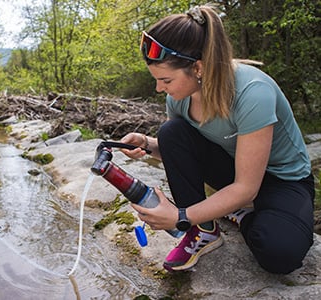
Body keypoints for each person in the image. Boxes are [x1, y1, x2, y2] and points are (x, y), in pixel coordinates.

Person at [120, 4, 314, 274]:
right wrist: (146, 144)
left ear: (197, 68)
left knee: (280, 254)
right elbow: (181, 150)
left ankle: (240, 214)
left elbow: (247, 188)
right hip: (234, 170)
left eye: (165, 79)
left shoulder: (252, 92)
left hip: (283, 180)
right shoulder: (178, 99)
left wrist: (180, 217)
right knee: (169, 132)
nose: (158, 88)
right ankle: (204, 231)